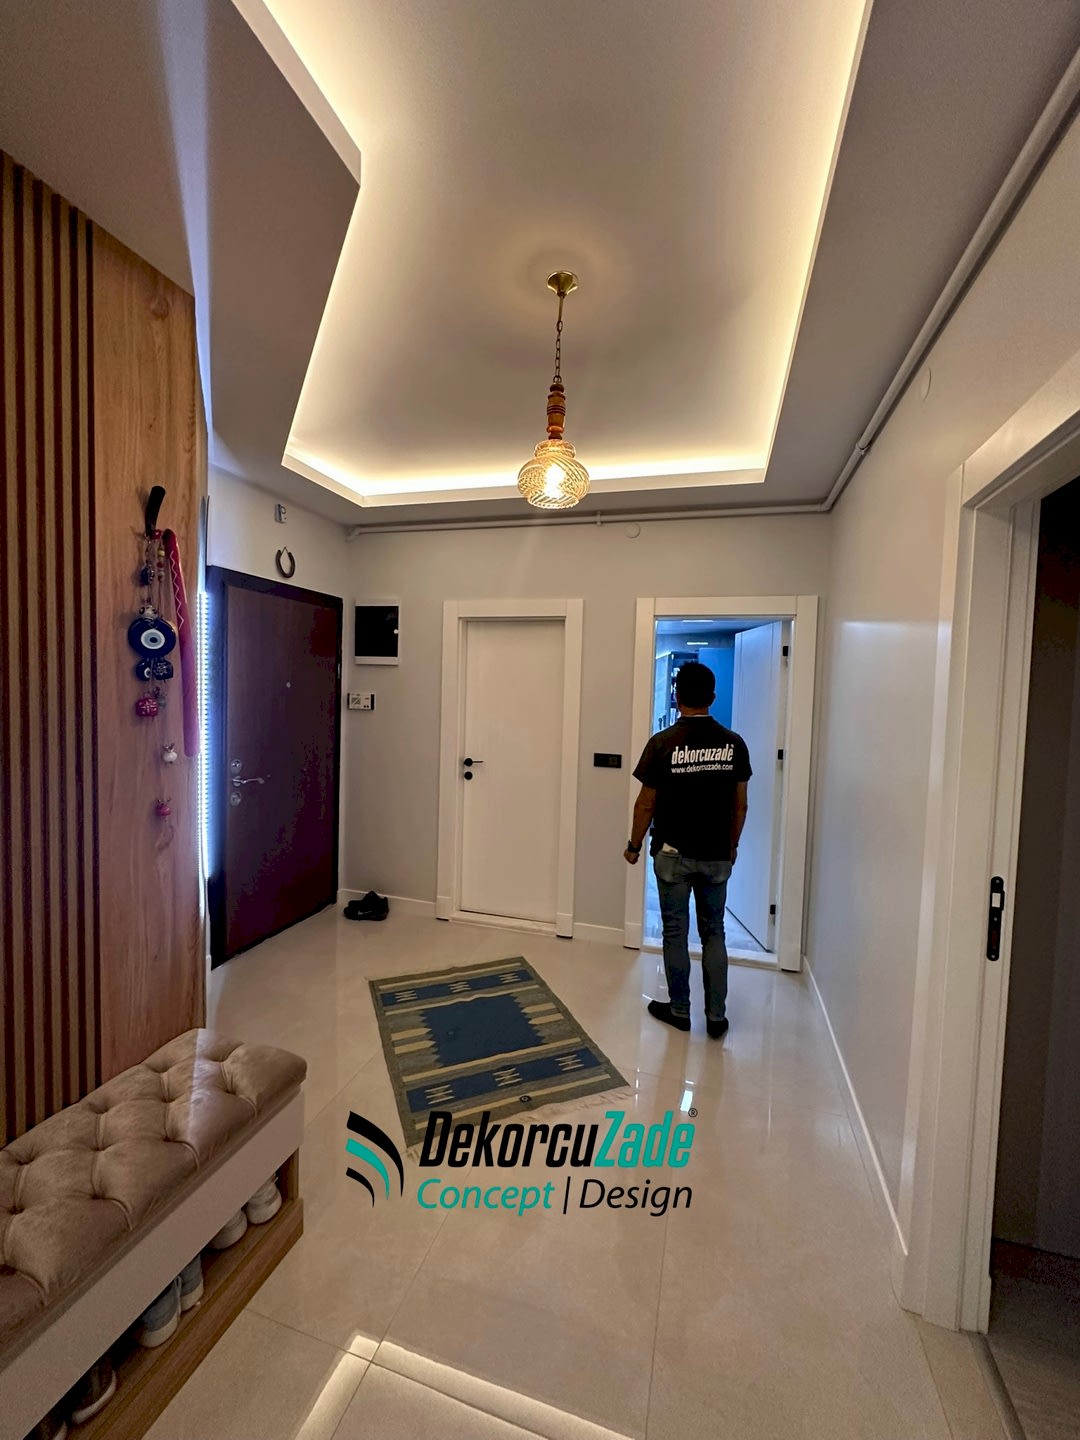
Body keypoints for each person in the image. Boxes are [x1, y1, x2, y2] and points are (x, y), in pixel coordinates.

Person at [624, 661, 751, 1038]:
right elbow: (740, 805)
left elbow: (645, 804)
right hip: (716, 854)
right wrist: (732, 844)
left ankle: (679, 1010)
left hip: (672, 854)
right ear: (712, 696)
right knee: (714, 932)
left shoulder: (662, 743)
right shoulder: (734, 744)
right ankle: (716, 1018)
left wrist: (633, 845)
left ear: (677, 697)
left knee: (675, 933)